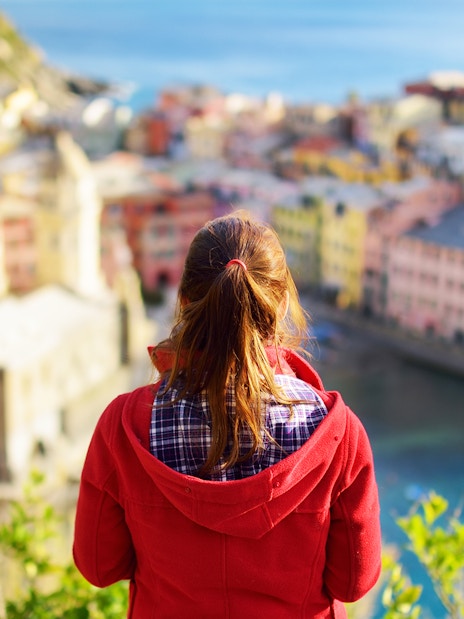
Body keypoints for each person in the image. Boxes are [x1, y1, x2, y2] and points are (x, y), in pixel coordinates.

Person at [73, 210, 382, 619]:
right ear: (281, 304)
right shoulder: (338, 436)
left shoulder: (125, 425)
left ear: (184, 302)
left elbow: (99, 565)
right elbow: (353, 581)